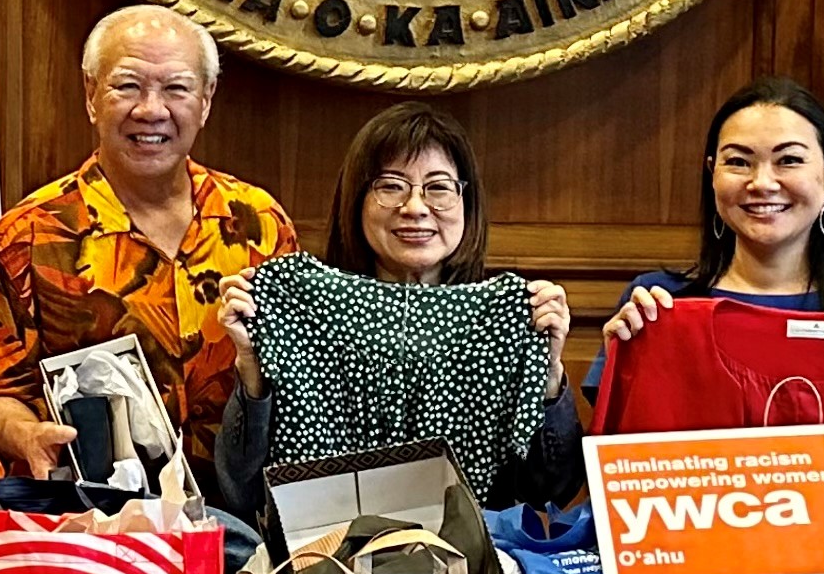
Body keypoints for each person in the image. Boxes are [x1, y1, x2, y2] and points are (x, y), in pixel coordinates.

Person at [0, 6, 295, 477]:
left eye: (176, 88)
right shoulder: (31, 234)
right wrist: (27, 435)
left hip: (245, 503)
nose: (151, 110)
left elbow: (296, 373)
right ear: (91, 95)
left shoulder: (259, 222)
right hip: (97, 511)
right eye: (127, 86)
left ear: (205, 100)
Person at [208, 101, 579, 516]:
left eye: (438, 188)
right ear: (357, 201)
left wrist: (548, 373)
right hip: (328, 548)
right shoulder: (298, 309)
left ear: (467, 203)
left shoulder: (507, 318)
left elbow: (551, 492)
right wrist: (252, 370)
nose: (415, 207)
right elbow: (241, 492)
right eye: (390, 186)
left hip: (463, 553)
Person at [601, 78, 824, 346]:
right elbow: (615, 406)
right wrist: (620, 359)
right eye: (738, 162)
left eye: (789, 160)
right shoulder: (656, 304)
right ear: (712, 174)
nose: (762, 183)